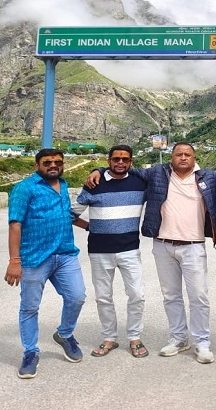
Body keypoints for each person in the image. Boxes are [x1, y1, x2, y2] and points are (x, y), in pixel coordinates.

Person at [86, 142, 216, 364]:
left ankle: (202, 342)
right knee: (171, 296)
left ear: (194, 157)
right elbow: (123, 168)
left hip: (193, 245)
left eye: (187, 154)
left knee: (198, 295)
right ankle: (179, 339)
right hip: (163, 244)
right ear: (171, 157)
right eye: (178, 154)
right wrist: (99, 170)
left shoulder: (208, 177)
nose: (182, 158)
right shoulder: (157, 174)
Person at [5, 148, 86, 379]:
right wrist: (14, 261)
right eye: (47, 162)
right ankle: (30, 352)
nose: (53, 165)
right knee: (30, 307)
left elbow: (65, 215)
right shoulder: (24, 189)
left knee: (77, 296)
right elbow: (15, 225)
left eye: (57, 162)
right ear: (37, 165)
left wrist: (88, 226)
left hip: (65, 254)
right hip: (33, 258)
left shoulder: (63, 185)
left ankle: (64, 334)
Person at [74, 145, 149, 359]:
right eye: (116, 159)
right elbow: (71, 213)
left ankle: (134, 337)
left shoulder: (140, 183)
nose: (120, 163)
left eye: (125, 159)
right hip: (99, 250)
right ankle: (109, 338)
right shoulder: (93, 184)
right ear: (108, 161)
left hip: (129, 249)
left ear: (131, 162)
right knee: (103, 297)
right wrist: (89, 226)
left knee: (137, 294)